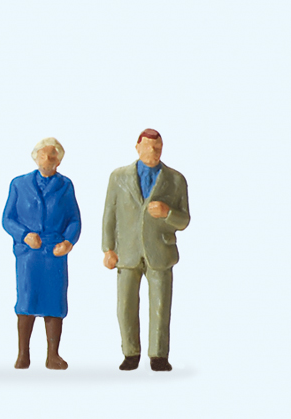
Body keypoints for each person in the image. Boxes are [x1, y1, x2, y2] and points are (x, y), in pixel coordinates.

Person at [102, 128, 190, 372]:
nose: (153, 151)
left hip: (160, 251)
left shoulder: (176, 180)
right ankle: (130, 352)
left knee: (161, 305)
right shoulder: (118, 177)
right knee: (125, 305)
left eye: (158, 147)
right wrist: (108, 249)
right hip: (126, 251)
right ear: (137, 147)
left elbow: (184, 220)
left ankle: (158, 355)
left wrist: (168, 213)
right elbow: (109, 214)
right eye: (149, 146)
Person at [2, 138, 81, 370]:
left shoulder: (66, 185)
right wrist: (24, 235)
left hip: (54, 253)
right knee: (26, 300)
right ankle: (23, 354)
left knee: (54, 302)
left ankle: (53, 355)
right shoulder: (19, 184)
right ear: (35, 157)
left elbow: (74, 219)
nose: (48, 159)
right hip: (29, 253)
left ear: (59, 160)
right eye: (44, 155)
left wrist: (68, 242)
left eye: (53, 156)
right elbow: (7, 219)